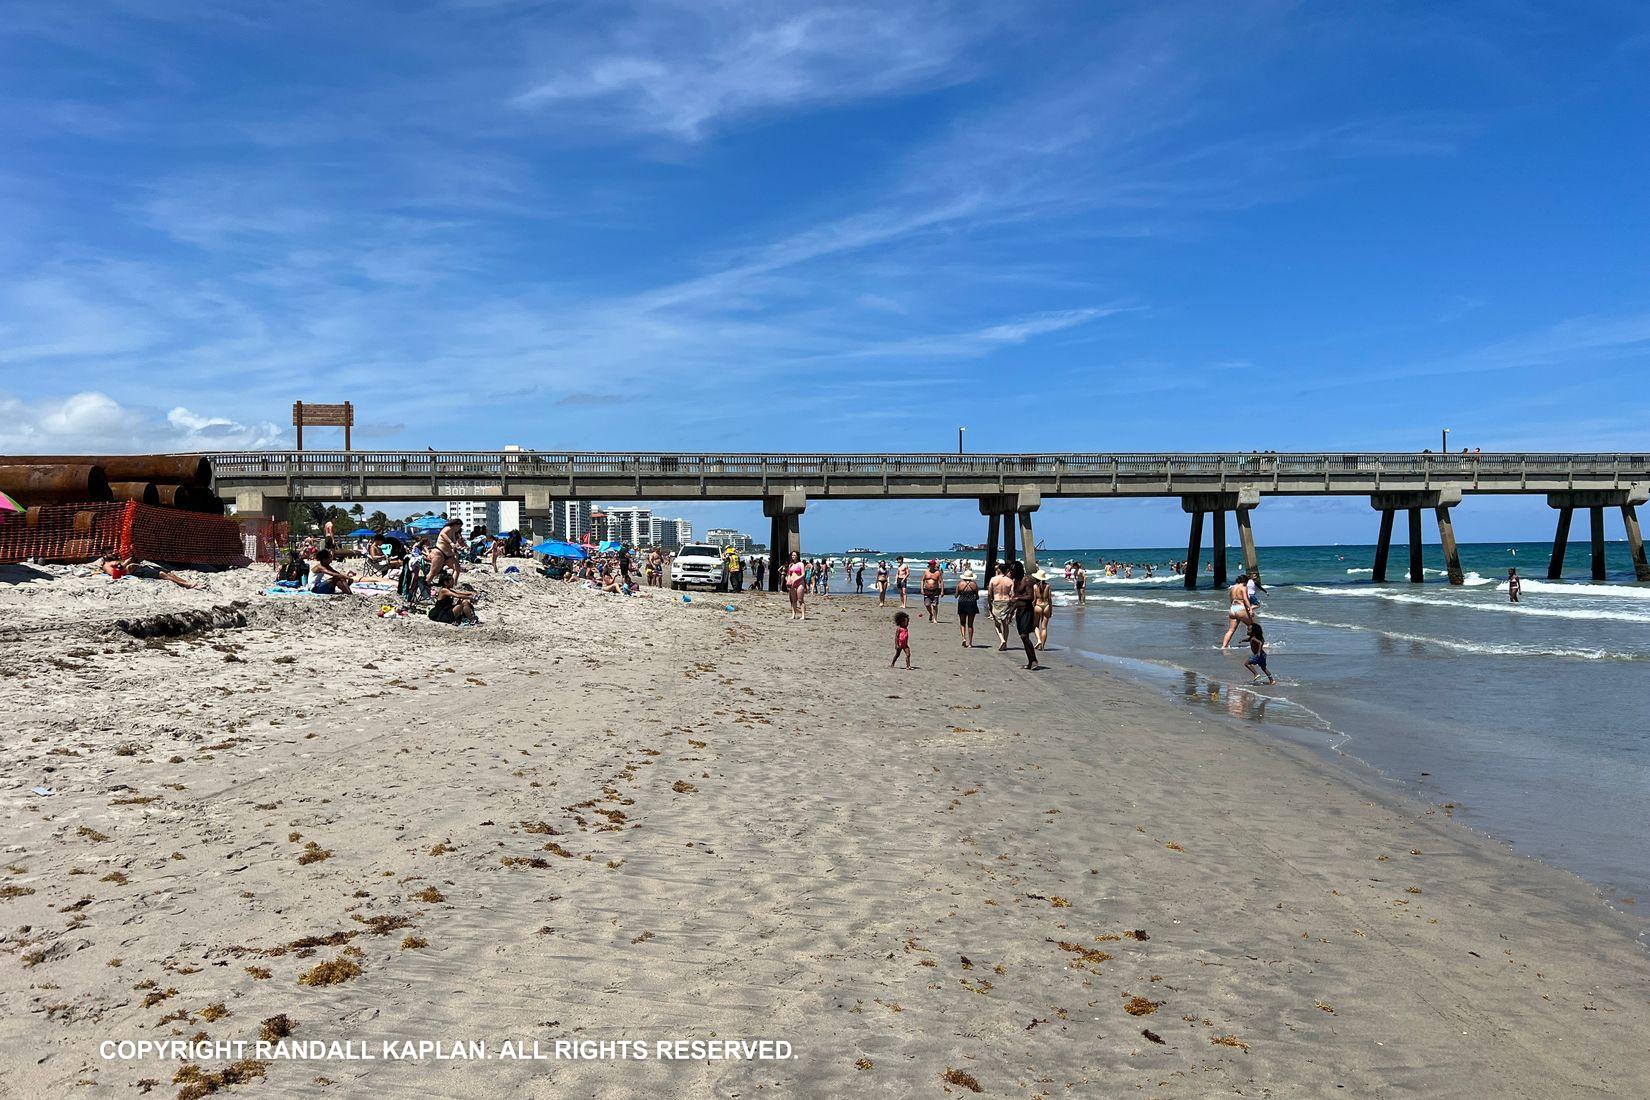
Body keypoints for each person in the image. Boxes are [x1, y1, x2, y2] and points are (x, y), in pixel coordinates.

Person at [1008, 561, 1041, 670]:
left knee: (1024, 636)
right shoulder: (1015, 581)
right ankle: (1030, 662)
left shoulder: (1026, 580)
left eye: (1012, 571)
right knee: (1023, 638)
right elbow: (1016, 600)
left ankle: (1034, 660)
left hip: (1027, 611)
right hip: (1019, 611)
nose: (1010, 573)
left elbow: (1030, 597)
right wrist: (1011, 612)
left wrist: (1018, 598)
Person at [1220, 573, 1254, 650]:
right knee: (1253, 627)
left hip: (1232, 609)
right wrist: (1250, 609)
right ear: (1245, 581)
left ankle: (1224, 646)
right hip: (1241, 608)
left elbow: (1231, 600)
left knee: (1231, 630)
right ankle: (1262, 643)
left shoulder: (1232, 588)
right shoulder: (1243, 587)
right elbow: (1245, 599)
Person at [987, 562, 1015, 650]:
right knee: (1005, 624)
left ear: (998, 569)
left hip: (996, 601)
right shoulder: (1010, 581)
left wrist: (989, 603)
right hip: (1006, 601)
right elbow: (1012, 594)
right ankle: (1005, 643)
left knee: (997, 624)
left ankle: (1002, 639)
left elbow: (989, 593)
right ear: (1007, 570)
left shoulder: (993, 579)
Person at [955, 568, 979, 648]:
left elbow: (956, 595)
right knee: (970, 624)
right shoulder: (974, 584)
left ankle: (963, 638)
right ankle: (970, 643)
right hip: (972, 603)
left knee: (962, 622)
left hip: (962, 602)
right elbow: (977, 596)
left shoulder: (960, 584)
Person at [1032, 568, 1054, 649]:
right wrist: (1051, 610)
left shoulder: (1035, 586)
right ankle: (1042, 646)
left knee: (1035, 625)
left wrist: (1032, 607)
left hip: (1038, 606)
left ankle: (1039, 640)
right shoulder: (1048, 586)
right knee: (1044, 627)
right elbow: (1050, 599)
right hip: (1046, 606)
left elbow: (1034, 599)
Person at [785, 550, 807, 620]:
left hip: (799, 583)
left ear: (797, 556)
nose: (793, 556)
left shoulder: (800, 564)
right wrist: (788, 580)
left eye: (794, 555)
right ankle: (793, 614)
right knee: (793, 600)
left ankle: (803, 615)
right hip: (792, 584)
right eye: (792, 555)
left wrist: (796, 579)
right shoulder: (791, 565)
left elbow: (803, 574)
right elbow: (789, 574)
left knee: (800, 600)